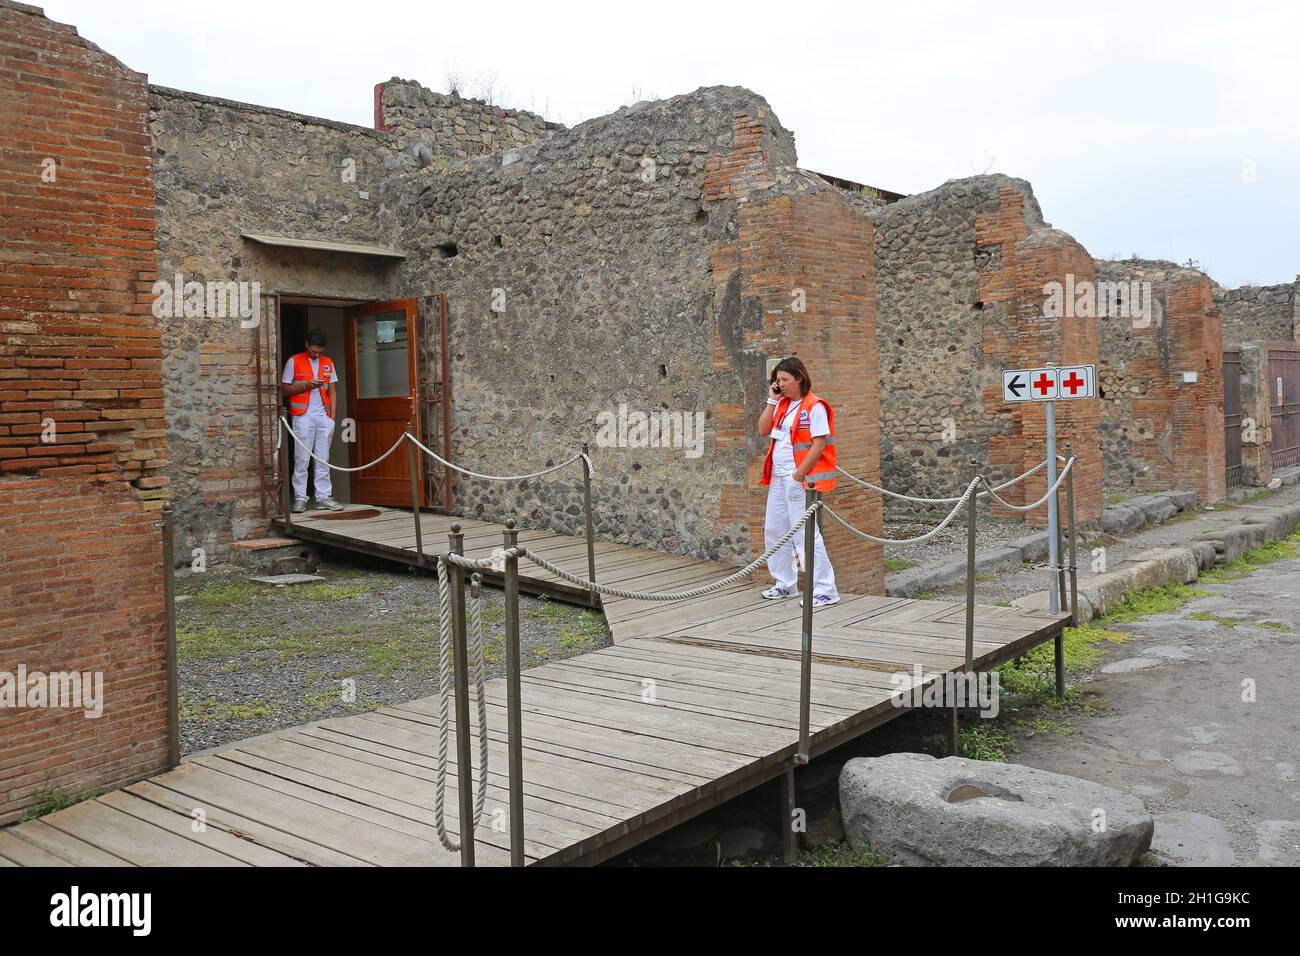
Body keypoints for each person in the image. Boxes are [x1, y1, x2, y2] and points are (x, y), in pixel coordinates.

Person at [757, 357, 839, 608]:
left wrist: (799, 474)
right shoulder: (781, 405)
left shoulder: (815, 406)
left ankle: (826, 589)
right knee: (775, 531)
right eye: (777, 380)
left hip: (798, 480)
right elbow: (762, 429)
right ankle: (785, 583)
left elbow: (819, 443)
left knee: (805, 534)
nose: (780, 384)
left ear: (799, 378)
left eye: (784, 380)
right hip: (779, 478)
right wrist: (771, 400)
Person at [281, 329, 343, 513]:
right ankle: (300, 498)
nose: (317, 354)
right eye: (314, 351)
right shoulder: (294, 361)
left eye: (320, 351)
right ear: (307, 344)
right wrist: (305, 386)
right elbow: (284, 389)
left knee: (323, 459)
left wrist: (332, 418)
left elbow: (332, 390)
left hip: (323, 416)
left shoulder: (328, 362)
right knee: (302, 459)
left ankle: (323, 496)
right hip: (302, 416)